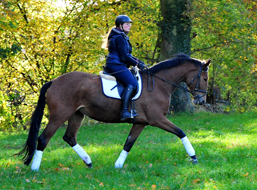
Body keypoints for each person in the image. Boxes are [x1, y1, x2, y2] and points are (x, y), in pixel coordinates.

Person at [104, 15, 146, 121]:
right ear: (120, 25)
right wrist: (137, 64)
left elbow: (127, 55)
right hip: (115, 65)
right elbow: (124, 56)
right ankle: (123, 111)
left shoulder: (121, 36)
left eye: (130, 24)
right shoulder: (119, 37)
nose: (129, 26)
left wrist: (139, 62)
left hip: (118, 64)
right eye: (127, 24)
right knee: (132, 84)